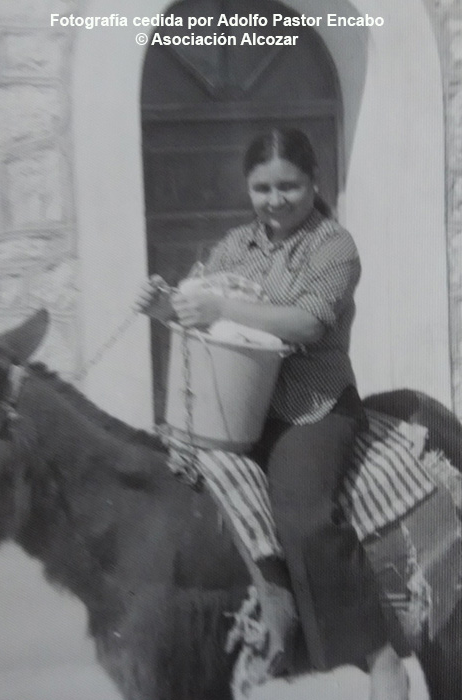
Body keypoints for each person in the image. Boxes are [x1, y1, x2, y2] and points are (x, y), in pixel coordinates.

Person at [135, 128, 409, 700]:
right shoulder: (234, 245)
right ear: (247, 187)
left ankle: (379, 655)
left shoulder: (333, 246)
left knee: (305, 518)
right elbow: (196, 311)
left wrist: (220, 305)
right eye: (262, 188)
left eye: (290, 186)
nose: (275, 199)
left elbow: (308, 323)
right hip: (234, 406)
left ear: (315, 182)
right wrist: (165, 306)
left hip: (309, 406)